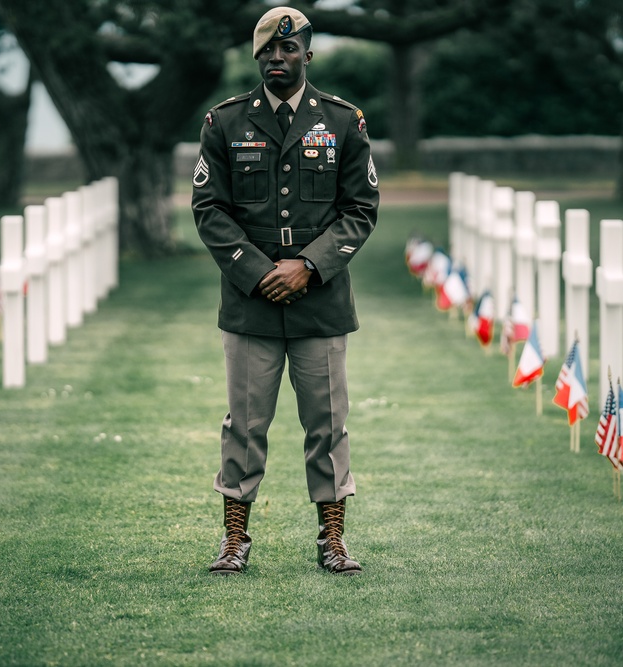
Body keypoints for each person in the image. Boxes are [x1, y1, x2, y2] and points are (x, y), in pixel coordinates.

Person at [191, 6, 379, 576]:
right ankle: (234, 540)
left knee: (326, 423)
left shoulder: (344, 123)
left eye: (289, 50)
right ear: (257, 57)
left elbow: (359, 211)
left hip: (320, 302)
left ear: (307, 55)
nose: (279, 58)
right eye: (269, 51)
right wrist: (256, 270)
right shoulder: (224, 123)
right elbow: (210, 210)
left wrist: (308, 266)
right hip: (250, 304)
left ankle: (332, 540)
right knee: (244, 425)